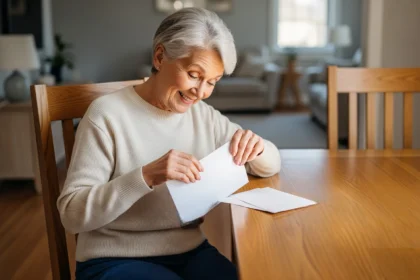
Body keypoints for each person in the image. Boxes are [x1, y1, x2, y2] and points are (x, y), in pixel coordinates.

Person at [58, 7, 281, 280]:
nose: (200, 93)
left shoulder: (203, 116)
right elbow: (71, 214)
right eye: (194, 75)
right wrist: (146, 176)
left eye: (212, 82)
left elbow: (271, 163)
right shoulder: (106, 115)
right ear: (160, 57)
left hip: (189, 251)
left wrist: (255, 148)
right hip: (112, 259)